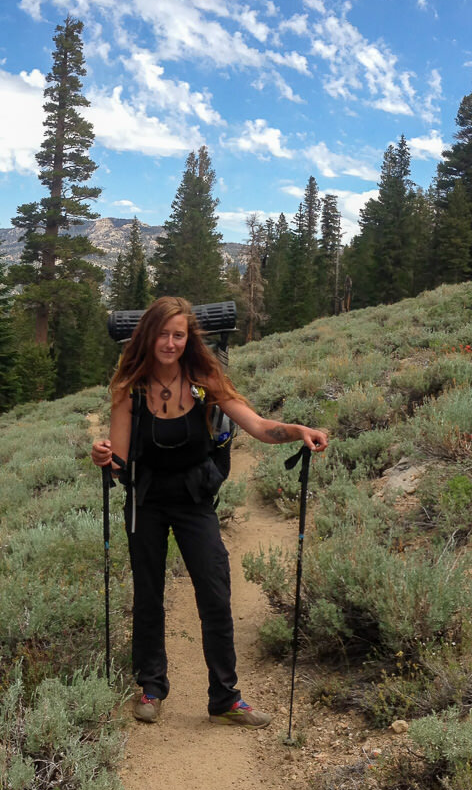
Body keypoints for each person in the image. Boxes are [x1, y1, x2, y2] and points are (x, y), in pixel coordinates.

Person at [91, 296, 328, 727]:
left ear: (188, 338)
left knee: (215, 593)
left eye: (178, 334)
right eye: (162, 334)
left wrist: (298, 431)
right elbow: (120, 461)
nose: (170, 342)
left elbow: (256, 425)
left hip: (194, 501)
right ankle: (151, 686)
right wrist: (103, 456)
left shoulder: (203, 378)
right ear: (148, 336)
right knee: (149, 596)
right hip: (145, 501)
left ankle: (225, 696)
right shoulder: (131, 388)